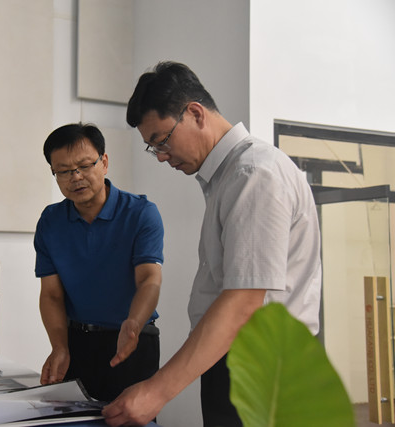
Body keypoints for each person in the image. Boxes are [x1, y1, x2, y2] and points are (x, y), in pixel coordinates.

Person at [102, 62, 322, 426]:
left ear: (195, 113)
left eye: (162, 140)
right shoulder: (229, 177)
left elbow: (242, 302)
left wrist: (156, 391)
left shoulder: (254, 174)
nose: (161, 156)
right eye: (152, 148)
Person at [34, 123, 165, 402]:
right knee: (71, 419)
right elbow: (51, 294)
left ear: (104, 162)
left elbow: (149, 279)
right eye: (64, 171)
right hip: (76, 343)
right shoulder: (50, 221)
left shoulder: (140, 213)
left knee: (130, 418)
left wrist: (133, 323)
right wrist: (59, 347)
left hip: (133, 340)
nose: (76, 177)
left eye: (84, 166)